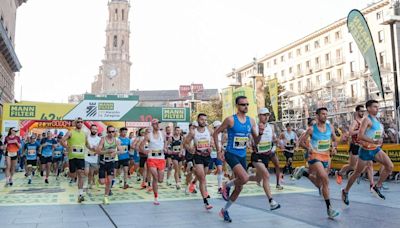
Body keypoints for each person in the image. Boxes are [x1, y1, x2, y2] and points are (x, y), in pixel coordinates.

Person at [213, 96, 263, 223]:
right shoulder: (230, 120)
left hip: (242, 155)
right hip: (231, 153)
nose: (245, 106)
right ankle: (226, 185)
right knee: (245, 178)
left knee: (240, 187)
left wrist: (261, 133)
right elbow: (215, 133)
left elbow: (256, 141)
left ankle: (224, 210)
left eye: (247, 104)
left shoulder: (251, 121)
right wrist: (219, 151)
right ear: (237, 106)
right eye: (242, 104)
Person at [342, 100, 394, 205]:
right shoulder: (366, 119)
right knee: (357, 173)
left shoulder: (377, 120)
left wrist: (381, 137)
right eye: (375, 107)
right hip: (366, 150)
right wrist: (373, 141)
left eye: (378, 107)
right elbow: (360, 136)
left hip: (375, 149)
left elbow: (375, 133)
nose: (377, 108)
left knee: (390, 166)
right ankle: (345, 191)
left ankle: (377, 186)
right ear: (369, 108)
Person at [299, 107, 340, 219]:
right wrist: (308, 148)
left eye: (326, 114)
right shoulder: (311, 129)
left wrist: (334, 147)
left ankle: (305, 172)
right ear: (317, 116)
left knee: (320, 184)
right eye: (323, 114)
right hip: (315, 156)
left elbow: (335, 140)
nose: (325, 116)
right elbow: (300, 142)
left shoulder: (330, 127)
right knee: (325, 179)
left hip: (326, 156)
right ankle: (329, 209)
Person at [250, 108, 281, 210]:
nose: (266, 117)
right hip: (257, 156)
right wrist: (260, 133)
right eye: (264, 115)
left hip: (266, 156)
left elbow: (272, 139)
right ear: (259, 116)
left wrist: (276, 142)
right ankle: (271, 201)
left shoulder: (270, 127)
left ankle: (229, 184)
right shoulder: (254, 127)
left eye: (267, 115)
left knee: (257, 178)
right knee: (266, 175)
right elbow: (256, 142)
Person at [185, 113, 214, 210]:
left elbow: (213, 139)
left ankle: (193, 182)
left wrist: (211, 146)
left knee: (204, 176)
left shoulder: (209, 130)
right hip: (198, 156)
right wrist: (190, 149)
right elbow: (185, 143)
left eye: (205, 120)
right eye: (201, 119)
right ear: (198, 120)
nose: (204, 121)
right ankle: (206, 201)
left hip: (207, 155)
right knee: (202, 179)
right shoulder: (193, 132)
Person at [140, 119, 167, 205]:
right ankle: (156, 198)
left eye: (159, 124)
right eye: (156, 124)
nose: (158, 125)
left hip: (161, 158)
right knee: (155, 177)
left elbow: (165, 142)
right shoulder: (148, 135)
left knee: (160, 180)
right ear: (153, 125)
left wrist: (165, 148)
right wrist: (145, 151)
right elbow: (141, 146)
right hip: (151, 158)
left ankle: (155, 191)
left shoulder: (163, 134)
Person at [61, 117, 87, 203]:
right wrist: (67, 147)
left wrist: (94, 149)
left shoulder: (84, 133)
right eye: (78, 122)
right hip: (72, 157)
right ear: (75, 123)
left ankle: (80, 194)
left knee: (81, 175)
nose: (80, 123)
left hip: (81, 157)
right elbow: (62, 141)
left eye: (81, 122)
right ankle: (66, 171)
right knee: (72, 175)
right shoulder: (70, 132)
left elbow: (88, 145)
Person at [97, 125, 121, 205]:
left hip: (111, 162)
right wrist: (107, 151)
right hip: (103, 162)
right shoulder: (103, 139)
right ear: (107, 132)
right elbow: (98, 151)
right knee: (102, 182)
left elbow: (121, 151)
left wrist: (115, 152)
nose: (111, 133)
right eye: (109, 132)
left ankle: (106, 197)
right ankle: (99, 179)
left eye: (112, 131)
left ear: (115, 132)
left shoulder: (116, 140)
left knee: (110, 180)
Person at [210, 120, 224, 193]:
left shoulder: (221, 135)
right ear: (215, 127)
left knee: (220, 170)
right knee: (207, 171)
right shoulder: (211, 135)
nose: (220, 128)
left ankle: (220, 187)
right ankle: (195, 182)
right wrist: (212, 146)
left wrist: (223, 149)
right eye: (219, 126)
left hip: (218, 155)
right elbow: (210, 144)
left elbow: (220, 145)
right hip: (210, 155)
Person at [85, 124, 101, 189]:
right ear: (90, 129)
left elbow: (101, 148)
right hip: (86, 157)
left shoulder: (99, 139)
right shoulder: (87, 138)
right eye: (93, 129)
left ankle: (91, 182)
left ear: (97, 130)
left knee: (93, 172)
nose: (94, 130)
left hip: (95, 157)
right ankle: (87, 183)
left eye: (95, 129)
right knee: (86, 172)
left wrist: (97, 148)